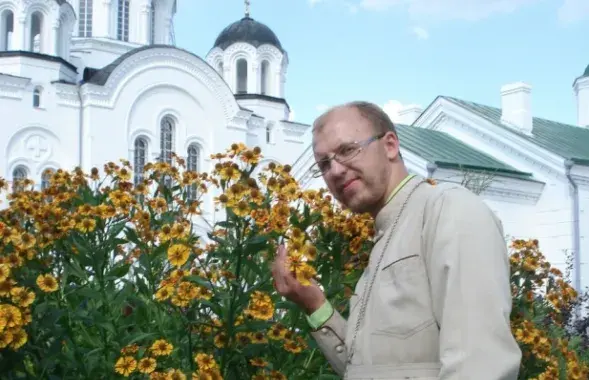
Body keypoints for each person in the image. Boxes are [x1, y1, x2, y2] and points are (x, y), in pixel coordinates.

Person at [271, 101, 522, 379]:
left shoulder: (447, 209)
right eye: (324, 163)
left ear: (390, 145)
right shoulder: (386, 235)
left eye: (347, 150)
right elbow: (369, 371)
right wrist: (314, 304)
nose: (336, 171)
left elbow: (481, 366)